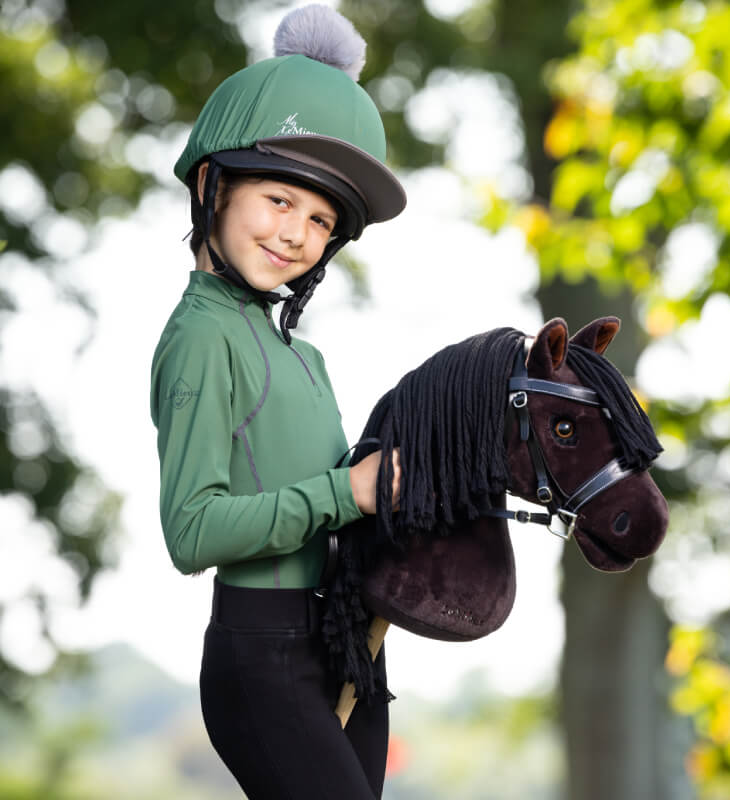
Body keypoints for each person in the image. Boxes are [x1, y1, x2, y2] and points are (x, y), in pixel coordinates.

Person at [149, 6, 405, 798]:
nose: (297, 233)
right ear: (212, 186)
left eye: (322, 218)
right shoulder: (201, 336)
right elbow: (191, 531)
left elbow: (343, 506)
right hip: (262, 660)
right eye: (279, 200)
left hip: (345, 639)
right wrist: (345, 491)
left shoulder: (307, 355)